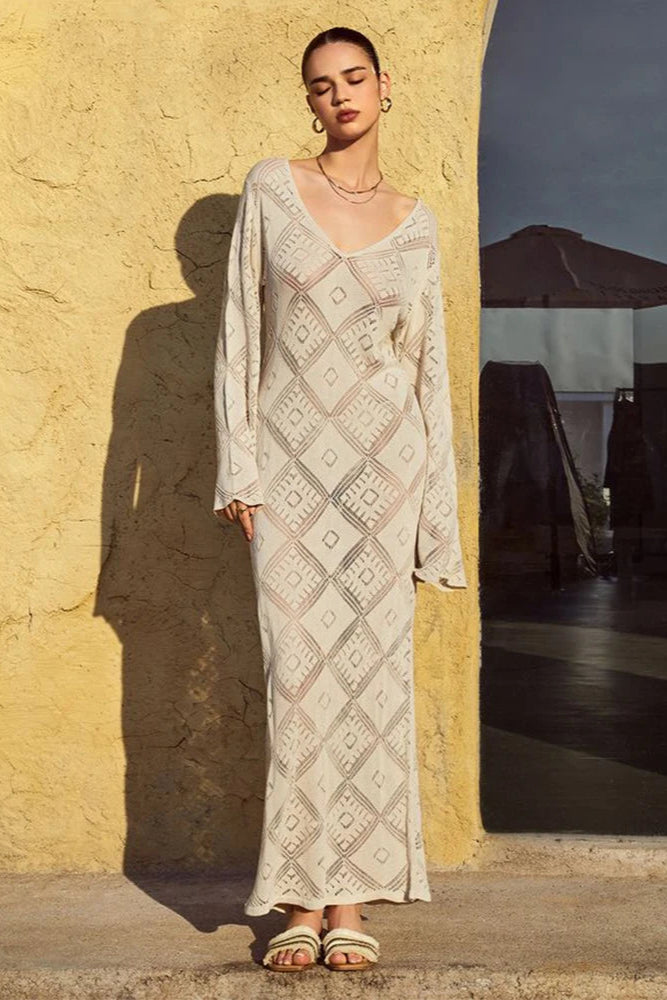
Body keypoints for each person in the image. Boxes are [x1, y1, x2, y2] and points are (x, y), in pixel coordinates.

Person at [213, 25, 467, 972]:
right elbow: (242, 327)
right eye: (322, 86)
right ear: (308, 101)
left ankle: (347, 900)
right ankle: (295, 896)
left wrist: (432, 517)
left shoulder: (417, 219)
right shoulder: (272, 189)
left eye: (354, 78)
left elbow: (425, 369)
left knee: (368, 682)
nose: (340, 96)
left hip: (380, 476)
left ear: (384, 87)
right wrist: (239, 466)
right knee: (299, 678)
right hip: (286, 474)